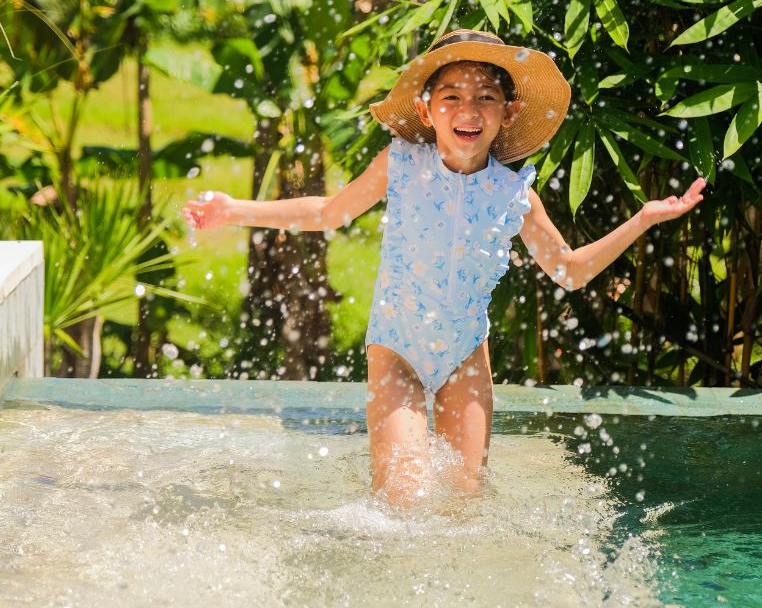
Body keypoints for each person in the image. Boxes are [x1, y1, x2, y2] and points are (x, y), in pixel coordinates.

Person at [182, 29, 705, 505]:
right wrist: (234, 211)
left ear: (510, 111)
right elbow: (326, 212)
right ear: (426, 109)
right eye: (452, 96)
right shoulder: (402, 164)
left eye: (485, 98)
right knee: (402, 500)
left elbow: (568, 270)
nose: (468, 109)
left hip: (464, 358)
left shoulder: (512, 195)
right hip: (397, 349)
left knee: (464, 503)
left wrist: (643, 218)